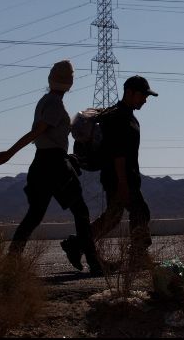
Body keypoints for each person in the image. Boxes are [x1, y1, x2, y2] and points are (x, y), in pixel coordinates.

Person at [0, 60, 102, 275]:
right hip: (55, 165)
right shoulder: (54, 104)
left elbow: (41, 135)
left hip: (42, 164)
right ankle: (94, 263)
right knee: (80, 211)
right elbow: (37, 132)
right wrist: (9, 153)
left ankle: (11, 261)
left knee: (34, 215)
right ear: (70, 84)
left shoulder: (46, 100)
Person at [60, 75, 158, 271]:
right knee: (140, 212)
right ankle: (138, 256)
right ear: (129, 92)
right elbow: (118, 154)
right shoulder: (118, 118)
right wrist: (122, 183)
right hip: (120, 178)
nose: (145, 100)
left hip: (122, 177)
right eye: (142, 95)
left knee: (113, 217)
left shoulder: (125, 116)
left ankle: (77, 244)